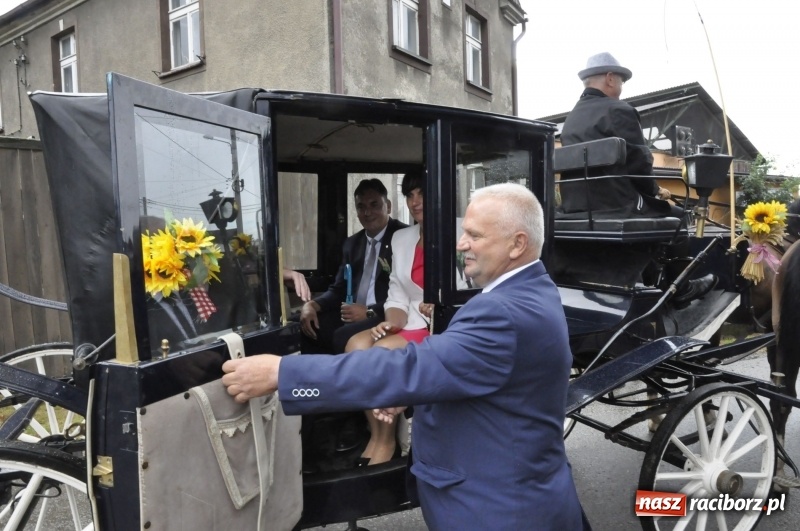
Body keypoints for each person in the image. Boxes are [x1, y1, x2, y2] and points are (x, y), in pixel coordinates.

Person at [222, 183, 591, 530]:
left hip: (497, 510)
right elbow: (467, 376)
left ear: (517, 244)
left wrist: (283, 374)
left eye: (475, 235)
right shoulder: (532, 290)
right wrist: (407, 395)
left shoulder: (503, 312)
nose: (461, 244)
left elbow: (409, 367)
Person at [560, 52, 716, 304]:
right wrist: (655, 190)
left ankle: (652, 274)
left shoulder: (572, 119)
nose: (621, 87)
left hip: (575, 206)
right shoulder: (620, 110)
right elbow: (639, 162)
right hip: (615, 203)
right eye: (621, 81)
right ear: (610, 78)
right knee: (678, 219)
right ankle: (682, 290)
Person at [345, 170, 432, 466]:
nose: (415, 202)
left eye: (421, 194)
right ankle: (379, 432)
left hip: (442, 325)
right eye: (410, 195)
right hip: (409, 321)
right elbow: (397, 295)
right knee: (356, 345)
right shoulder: (402, 238)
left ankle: (384, 443)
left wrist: (439, 307)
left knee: (380, 353)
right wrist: (390, 321)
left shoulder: (460, 234)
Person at [299, 179, 407, 354]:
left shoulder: (404, 237)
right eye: (361, 206)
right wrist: (311, 305)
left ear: (388, 206)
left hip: (386, 313)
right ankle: (314, 380)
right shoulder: (352, 244)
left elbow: (407, 290)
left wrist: (370, 312)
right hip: (352, 311)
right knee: (306, 325)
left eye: (374, 205)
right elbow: (338, 289)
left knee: (342, 336)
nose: (367, 212)